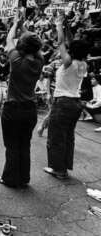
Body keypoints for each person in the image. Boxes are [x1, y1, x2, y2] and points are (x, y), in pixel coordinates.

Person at [0, 9, 44, 188]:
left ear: (21, 45)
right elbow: (35, 45)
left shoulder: (16, 61)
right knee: (25, 144)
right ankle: (24, 178)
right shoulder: (39, 61)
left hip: (13, 108)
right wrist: (23, 27)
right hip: (30, 108)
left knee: (12, 146)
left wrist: (16, 24)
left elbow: (8, 40)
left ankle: (9, 178)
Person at [44, 12, 89, 180]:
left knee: (56, 137)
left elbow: (62, 42)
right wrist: (66, 26)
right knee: (68, 137)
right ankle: (64, 167)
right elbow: (70, 43)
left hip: (63, 102)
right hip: (75, 103)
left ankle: (58, 170)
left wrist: (58, 25)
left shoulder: (68, 62)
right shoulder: (83, 64)